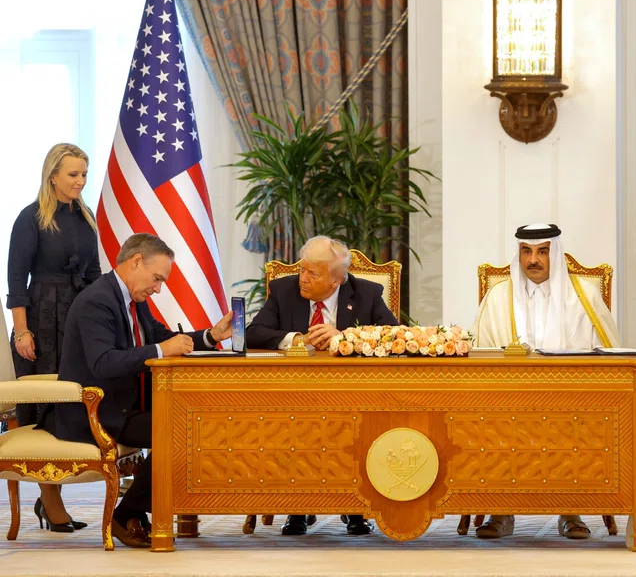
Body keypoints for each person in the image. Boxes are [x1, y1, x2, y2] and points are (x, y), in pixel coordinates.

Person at [43, 233, 232, 548]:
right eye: (157, 278)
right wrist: (160, 349)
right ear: (136, 262)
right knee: (181, 432)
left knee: (198, 423)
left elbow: (162, 337)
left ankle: (132, 511)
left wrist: (210, 336)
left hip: (124, 406)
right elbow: (103, 363)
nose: (158, 288)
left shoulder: (133, 300)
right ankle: (128, 514)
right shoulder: (96, 300)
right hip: (94, 413)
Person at [471, 223, 621, 540]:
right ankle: (500, 510)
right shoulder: (499, 297)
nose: (533, 260)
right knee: (494, 420)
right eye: (526, 251)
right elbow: (480, 352)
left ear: (555, 254)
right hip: (508, 397)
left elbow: (607, 353)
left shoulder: (584, 295)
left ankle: (570, 510)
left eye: (542, 252)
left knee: (574, 420)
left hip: (571, 397)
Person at [246, 235, 398, 536]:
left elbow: (393, 335)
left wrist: (343, 336)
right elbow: (253, 333)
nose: (302, 278)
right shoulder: (284, 290)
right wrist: (295, 339)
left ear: (337, 280)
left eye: (312, 273)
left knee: (357, 424)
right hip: (295, 393)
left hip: (354, 393)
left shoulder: (366, 293)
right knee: (297, 424)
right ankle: (298, 507)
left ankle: (356, 507)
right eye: (302, 269)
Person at [7, 143, 101, 532]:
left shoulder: (86, 216)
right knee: (45, 401)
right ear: (53, 176)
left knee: (77, 395)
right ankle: (49, 497)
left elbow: (95, 274)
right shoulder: (30, 218)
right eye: (73, 174)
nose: (80, 181)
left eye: (83, 174)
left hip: (79, 315)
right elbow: (16, 280)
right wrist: (23, 330)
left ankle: (59, 492)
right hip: (43, 317)